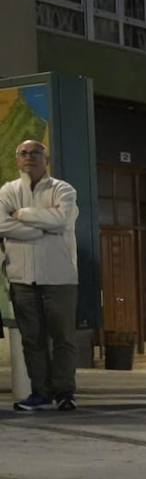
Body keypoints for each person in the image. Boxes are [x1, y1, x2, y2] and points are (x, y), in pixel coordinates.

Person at [0, 139, 79, 411]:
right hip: (21, 279)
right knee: (32, 340)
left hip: (59, 278)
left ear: (46, 159)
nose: (29, 157)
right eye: (23, 153)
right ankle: (41, 393)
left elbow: (61, 220)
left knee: (63, 338)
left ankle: (65, 392)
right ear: (17, 159)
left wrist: (21, 214)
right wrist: (38, 228)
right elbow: (1, 224)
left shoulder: (63, 189)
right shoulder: (8, 190)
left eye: (35, 152)